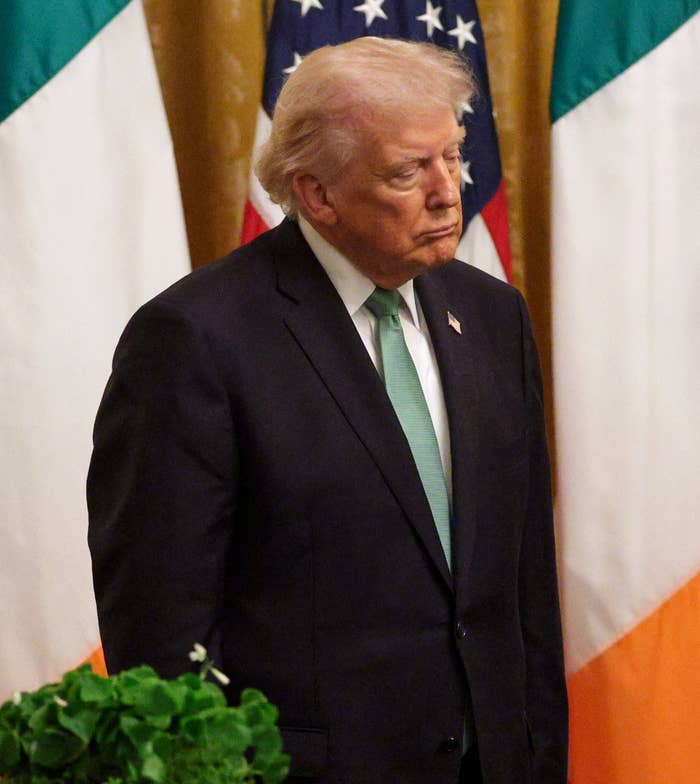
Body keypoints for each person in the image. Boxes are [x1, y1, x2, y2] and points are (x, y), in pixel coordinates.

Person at [87, 37, 568, 784]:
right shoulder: (194, 340)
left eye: (453, 154)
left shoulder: (493, 316)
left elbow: (525, 586)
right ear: (317, 194)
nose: (448, 192)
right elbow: (159, 630)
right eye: (408, 171)